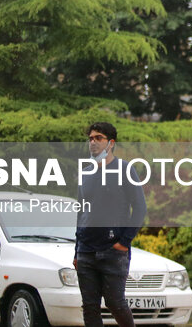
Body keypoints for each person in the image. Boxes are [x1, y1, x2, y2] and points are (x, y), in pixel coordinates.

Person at [74, 122, 147, 327]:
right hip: (86, 251)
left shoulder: (124, 169)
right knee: (89, 307)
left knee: (115, 303)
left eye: (99, 138)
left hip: (113, 251)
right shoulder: (86, 173)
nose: (93, 142)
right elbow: (81, 212)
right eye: (90, 138)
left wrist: (124, 242)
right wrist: (76, 250)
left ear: (111, 143)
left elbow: (140, 208)